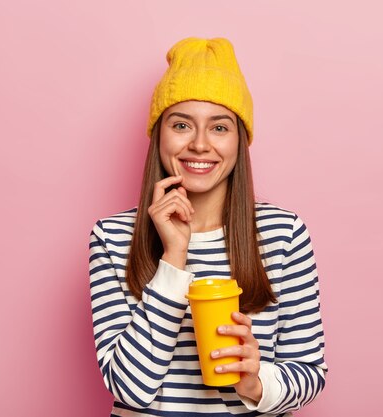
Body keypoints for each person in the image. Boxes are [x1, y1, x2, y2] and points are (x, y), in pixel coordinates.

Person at [89, 37, 328, 416]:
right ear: (159, 136)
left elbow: (309, 372)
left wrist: (254, 381)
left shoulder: (283, 234)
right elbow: (131, 389)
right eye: (182, 124)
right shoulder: (112, 237)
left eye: (219, 128)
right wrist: (173, 257)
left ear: (239, 140)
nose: (200, 144)